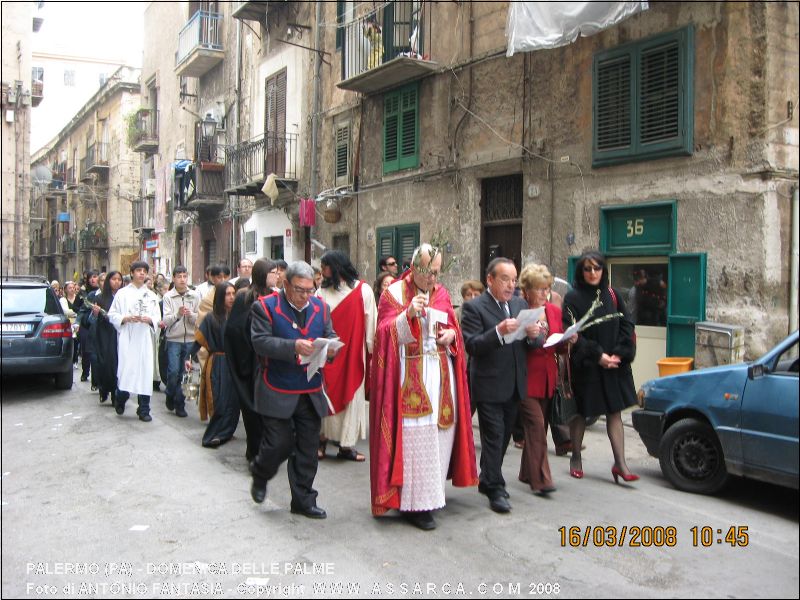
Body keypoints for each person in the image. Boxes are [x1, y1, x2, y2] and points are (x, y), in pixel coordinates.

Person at [370, 244, 477, 530]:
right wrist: (407, 317)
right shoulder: (392, 294)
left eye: (437, 273)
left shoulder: (441, 293)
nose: (432, 279)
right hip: (409, 374)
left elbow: (453, 328)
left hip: (440, 374)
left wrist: (452, 335)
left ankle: (432, 494)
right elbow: (383, 335)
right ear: (414, 267)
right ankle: (413, 505)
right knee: (415, 440)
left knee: (439, 435)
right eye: (428, 273)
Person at [248, 261, 338, 518]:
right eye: (300, 290)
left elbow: (330, 334)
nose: (306, 296)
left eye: (311, 290)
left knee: (308, 448)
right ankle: (261, 472)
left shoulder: (321, 308)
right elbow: (260, 342)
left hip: (310, 388)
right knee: (279, 443)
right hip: (277, 386)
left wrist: (330, 349)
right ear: (285, 284)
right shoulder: (264, 307)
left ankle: (303, 499)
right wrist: (293, 346)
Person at [461, 257, 541, 514]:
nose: (510, 285)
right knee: (493, 436)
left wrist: (534, 335)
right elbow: (472, 345)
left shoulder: (519, 303)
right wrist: (497, 332)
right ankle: (495, 486)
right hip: (488, 383)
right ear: (490, 280)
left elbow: (533, 345)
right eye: (505, 279)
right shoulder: (475, 307)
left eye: (514, 280)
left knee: (505, 435)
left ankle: (487, 478)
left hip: (515, 383)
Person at [563, 251, 639, 483]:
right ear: (581, 272)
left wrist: (618, 354)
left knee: (614, 411)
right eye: (588, 269)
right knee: (582, 412)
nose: (593, 273)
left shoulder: (613, 294)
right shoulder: (572, 298)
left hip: (614, 365)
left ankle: (621, 464)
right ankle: (575, 456)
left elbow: (627, 324)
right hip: (588, 365)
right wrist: (598, 355)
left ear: (603, 270)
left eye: (597, 268)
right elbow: (572, 334)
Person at [517, 264, 575, 495]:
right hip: (524, 377)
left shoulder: (553, 311)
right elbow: (513, 344)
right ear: (527, 290)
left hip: (548, 377)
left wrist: (569, 339)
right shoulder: (519, 310)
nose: (544, 293)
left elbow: (558, 346)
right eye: (539, 289)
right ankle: (541, 479)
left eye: (547, 288)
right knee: (537, 426)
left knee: (537, 426)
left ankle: (525, 471)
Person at [316, 251, 377, 462]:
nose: (322, 272)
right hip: (329, 355)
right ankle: (321, 441)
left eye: (325, 267)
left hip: (353, 355)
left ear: (336, 268)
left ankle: (346, 446)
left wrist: (372, 352)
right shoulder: (320, 293)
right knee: (326, 396)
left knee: (352, 399)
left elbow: (371, 323)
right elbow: (315, 323)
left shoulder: (363, 291)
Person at [225, 258, 274, 461]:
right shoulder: (244, 297)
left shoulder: (276, 297)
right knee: (252, 412)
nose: (277, 275)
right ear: (263, 274)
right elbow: (235, 330)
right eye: (273, 272)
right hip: (250, 362)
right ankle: (254, 451)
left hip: (270, 362)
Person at [108, 261, 162, 422]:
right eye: (138, 270)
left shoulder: (151, 296)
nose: (141, 274)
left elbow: (157, 318)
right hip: (128, 336)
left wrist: (150, 320)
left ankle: (144, 408)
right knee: (127, 371)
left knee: (145, 373)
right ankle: (121, 397)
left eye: (144, 271)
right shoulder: (122, 294)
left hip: (144, 337)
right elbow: (112, 314)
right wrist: (125, 318)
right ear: (132, 273)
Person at [187, 282, 239, 448]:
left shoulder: (238, 315)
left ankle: (226, 433)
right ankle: (211, 436)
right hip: (218, 363)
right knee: (220, 401)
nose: (231, 297)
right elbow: (199, 340)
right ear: (219, 297)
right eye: (227, 294)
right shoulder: (211, 317)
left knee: (233, 402)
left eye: (233, 293)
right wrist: (189, 357)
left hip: (235, 363)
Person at [161, 266, 200, 418]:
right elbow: (166, 320)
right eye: (179, 276)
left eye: (185, 276)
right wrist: (177, 315)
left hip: (190, 339)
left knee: (187, 374)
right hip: (174, 339)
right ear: (174, 279)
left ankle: (180, 404)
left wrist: (191, 315)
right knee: (173, 372)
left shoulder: (194, 296)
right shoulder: (168, 297)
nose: (182, 279)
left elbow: (200, 318)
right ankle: (170, 393)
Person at [88, 271, 123, 404]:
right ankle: (104, 388)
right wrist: (96, 314)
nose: (116, 282)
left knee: (117, 364)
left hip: (120, 333)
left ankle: (116, 393)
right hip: (105, 335)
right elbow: (91, 320)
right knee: (106, 363)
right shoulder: (101, 298)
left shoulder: (124, 297)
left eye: (119, 279)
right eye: (113, 279)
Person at [76, 270, 99, 382]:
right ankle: (85, 372)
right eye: (91, 277)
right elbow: (79, 308)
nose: (93, 279)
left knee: (95, 352)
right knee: (86, 350)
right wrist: (78, 321)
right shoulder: (83, 292)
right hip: (86, 323)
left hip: (97, 324)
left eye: (95, 277)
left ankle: (96, 378)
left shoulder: (103, 293)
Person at [60, 281, 81, 366]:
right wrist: (76, 313)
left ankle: (75, 359)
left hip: (78, 323)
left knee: (77, 341)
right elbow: (65, 311)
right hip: (68, 323)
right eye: (70, 288)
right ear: (65, 289)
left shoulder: (78, 298)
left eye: (73, 288)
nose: (72, 289)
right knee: (70, 341)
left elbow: (81, 310)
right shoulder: (63, 299)